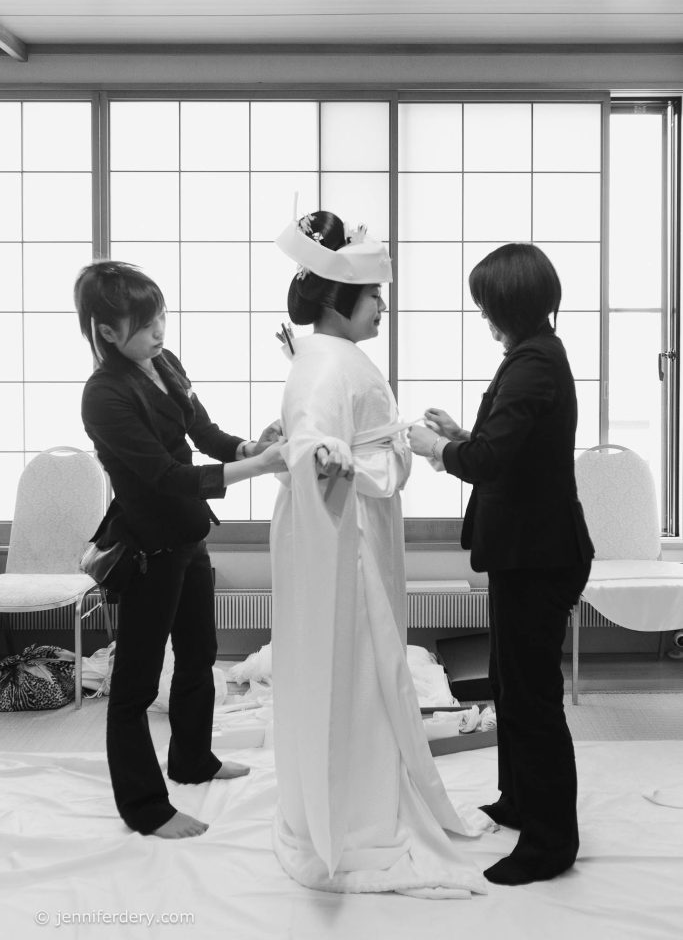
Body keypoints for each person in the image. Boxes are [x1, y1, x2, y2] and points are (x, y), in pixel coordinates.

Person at [269, 210, 489, 898]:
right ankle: (358, 813)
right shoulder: (329, 365)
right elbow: (312, 448)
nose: (382, 308)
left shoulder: (327, 358)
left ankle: (361, 794)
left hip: (355, 526)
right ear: (339, 300)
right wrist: (383, 455)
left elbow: (325, 437)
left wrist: (386, 443)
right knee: (357, 668)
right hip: (347, 538)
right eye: (373, 298)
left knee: (364, 666)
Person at [74, 261, 285, 839]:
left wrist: (249, 445)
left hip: (188, 534)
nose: (160, 331)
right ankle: (145, 808)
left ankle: (193, 760)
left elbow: (204, 434)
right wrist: (256, 468)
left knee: (200, 654)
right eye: (145, 324)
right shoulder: (103, 397)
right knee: (137, 684)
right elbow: (167, 476)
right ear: (107, 332)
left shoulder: (162, 363)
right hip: (148, 546)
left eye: (161, 316)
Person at [409, 243, 594, 887]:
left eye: (486, 303)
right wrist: (458, 436)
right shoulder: (533, 354)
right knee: (509, 684)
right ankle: (519, 801)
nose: (482, 313)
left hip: (539, 556)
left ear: (505, 305)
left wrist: (438, 446)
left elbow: (488, 460)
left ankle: (550, 842)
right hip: (527, 550)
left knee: (533, 698)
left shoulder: (532, 363)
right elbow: (503, 448)